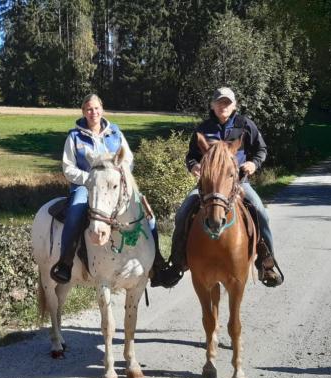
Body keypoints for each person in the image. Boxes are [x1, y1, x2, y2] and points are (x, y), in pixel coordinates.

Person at [155, 87, 284, 288]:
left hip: (239, 183)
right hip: (209, 186)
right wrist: (194, 166)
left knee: (261, 212)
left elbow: (261, 149)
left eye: (227, 103)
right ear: (213, 105)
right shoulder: (203, 128)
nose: (223, 106)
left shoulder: (246, 125)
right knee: (182, 214)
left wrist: (253, 164)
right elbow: (191, 156)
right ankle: (177, 263)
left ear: (234, 105)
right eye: (219, 102)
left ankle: (266, 263)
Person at [50, 94, 167, 285]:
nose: (93, 112)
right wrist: (91, 179)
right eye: (89, 109)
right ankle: (65, 263)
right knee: (76, 210)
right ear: (83, 112)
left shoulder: (115, 133)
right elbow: (68, 167)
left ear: (102, 109)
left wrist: (117, 176)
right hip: (85, 187)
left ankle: (157, 263)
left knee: (147, 212)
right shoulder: (74, 137)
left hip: (114, 186)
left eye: (96, 108)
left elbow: (127, 158)